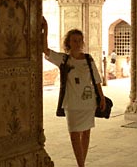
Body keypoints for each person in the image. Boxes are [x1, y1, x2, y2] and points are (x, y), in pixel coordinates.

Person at [41, 16, 106, 167]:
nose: (77, 43)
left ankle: (81, 164)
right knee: (75, 135)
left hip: (88, 104)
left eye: (79, 40)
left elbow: (96, 80)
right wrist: (45, 28)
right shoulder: (63, 60)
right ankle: (81, 165)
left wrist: (101, 98)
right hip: (72, 105)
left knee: (86, 134)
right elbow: (44, 50)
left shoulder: (89, 59)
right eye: (74, 40)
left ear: (82, 42)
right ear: (68, 43)